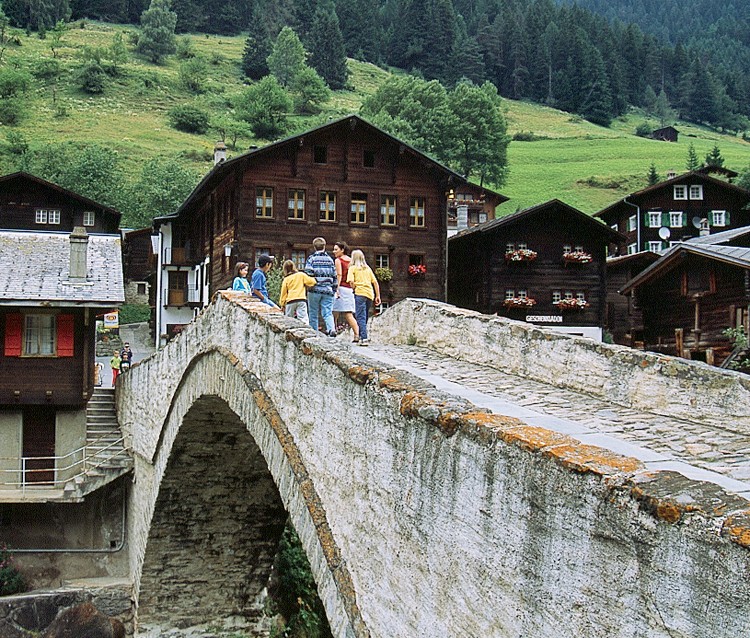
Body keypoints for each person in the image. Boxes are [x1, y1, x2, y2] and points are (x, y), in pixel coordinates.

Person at [347, 249, 381, 346]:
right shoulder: (368, 269)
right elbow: (375, 282)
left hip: (360, 293)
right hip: (369, 294)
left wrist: (354, 288)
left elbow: (351, 282)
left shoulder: (352, 268)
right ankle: (363, 336)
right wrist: (378, 295)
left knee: (360, 316)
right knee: (364, 316)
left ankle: (364, 338)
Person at [304, 237, 337, 336]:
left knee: (313, 312)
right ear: (324, 246)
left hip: (314, 290)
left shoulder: (311, 259)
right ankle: (331, 329)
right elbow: (334, 275)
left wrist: (308, 287)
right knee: (327, 312)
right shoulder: (330, 260)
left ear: (314, 247)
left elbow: (308, 274)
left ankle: (315, 333)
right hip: (328, 290)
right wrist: (334, 289)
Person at [332, 241, 359, 342]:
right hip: (350, 289)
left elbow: (339, 275)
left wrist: (336, 288)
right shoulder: (352, 261)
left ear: (342, 250)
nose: (334, 251)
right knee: (349, 313)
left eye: (336, 249)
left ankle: (332, 331)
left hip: (341, 287)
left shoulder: (338, 260)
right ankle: (357, 334)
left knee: (334, 312)